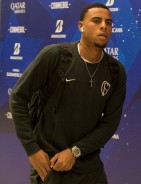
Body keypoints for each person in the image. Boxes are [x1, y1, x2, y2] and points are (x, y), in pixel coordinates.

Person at [9, 3, 126, 184]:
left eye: (109, 22)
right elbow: (18, 98)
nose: (104, 26)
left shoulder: (116, 71)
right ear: (81, 26)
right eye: (96, 21)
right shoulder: (56, 56)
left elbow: (110, 123)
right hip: (51, 167)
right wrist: (32, 150)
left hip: (90, 167)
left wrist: (75, 151)